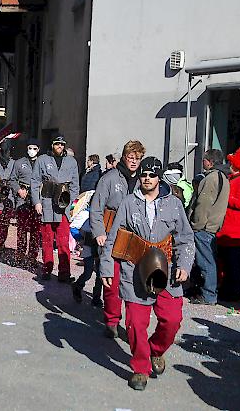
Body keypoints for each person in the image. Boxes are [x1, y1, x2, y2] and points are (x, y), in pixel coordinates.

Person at [99, 156, 195, 391]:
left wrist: (184, 265)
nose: (147, 179)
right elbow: (114, 237)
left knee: (172, 320)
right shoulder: (129, 202)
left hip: (167, 271)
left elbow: (185, 238)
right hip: (135, 269)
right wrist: (106, 266)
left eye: (152, 175)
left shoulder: (173, 204)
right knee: (135, 324)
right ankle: (140, 368)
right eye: (143, 175)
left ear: (159, 177)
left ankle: (156, 350)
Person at [89, 140, 145, 339]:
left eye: (137, 158)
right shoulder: (109, 178)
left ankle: (133, 324)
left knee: (134, 282)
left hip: (135, 237)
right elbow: (96, 207)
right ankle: (112, 320)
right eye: (131, 158)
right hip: (111, 231)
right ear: (123, 157)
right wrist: (99, 233)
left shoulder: (143, 180)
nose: (134, 162)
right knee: (111, 281)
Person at [30, 135, 79, 282]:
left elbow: (75, 184)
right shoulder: (42, 160)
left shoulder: (71, 161)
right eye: (57, 144)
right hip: (46, 203)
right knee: (47, 240)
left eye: (62, 144)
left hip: (62, 205)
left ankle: (64, 273)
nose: (60, 147)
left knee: (63, 241)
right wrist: (36, 202)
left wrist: (70, 202)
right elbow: (35, 182)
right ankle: (47, 269)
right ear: (52, 145)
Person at [188, 149, 230, 305]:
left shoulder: (211, 178)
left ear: (210, 162)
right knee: (208, 259)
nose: (203, 162)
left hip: (204, 227)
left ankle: (208, 294)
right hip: (212, 225)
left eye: (205, 159)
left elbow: (203, 205)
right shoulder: (223, 177)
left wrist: (196, 224)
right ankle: (204, 291)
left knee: (205, 261)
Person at [217, 148, 240, 302]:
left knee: (233, 263)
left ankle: (233, 292)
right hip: (230, 228)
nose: (229, 165)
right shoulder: (236, 178)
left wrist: (225, 196)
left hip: (235, 229)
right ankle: (228, 289)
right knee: (228, 262)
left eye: (232, 162)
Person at [9, 138, 41, 269]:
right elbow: (12, 179)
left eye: (34, 148)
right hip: (23, 199)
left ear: (38, 149)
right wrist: (18, 190)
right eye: (30, 148)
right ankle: (20, 255)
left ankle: (32, 257)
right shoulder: (19, 163)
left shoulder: (42, 162)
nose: (32, 151)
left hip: (37, 200)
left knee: (35, 231)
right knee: (21, 230)